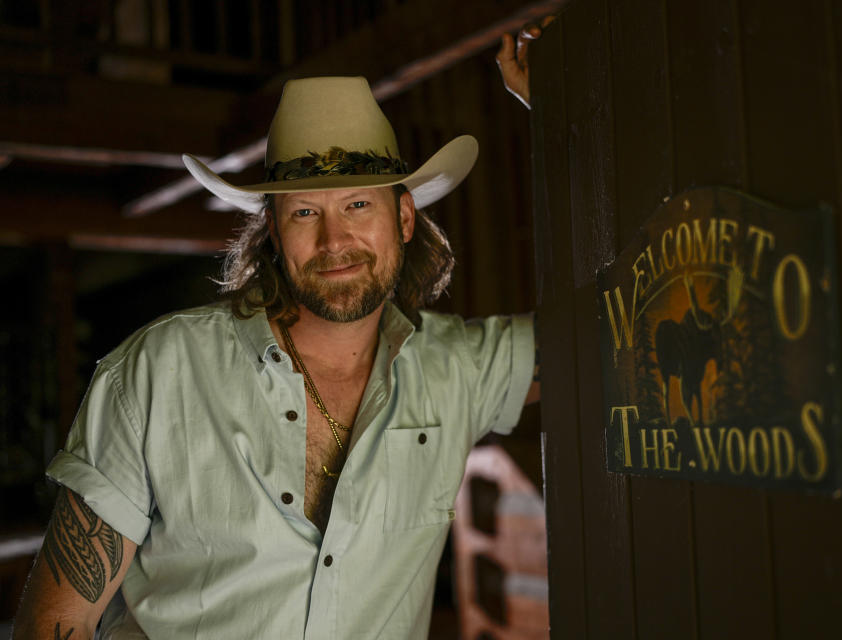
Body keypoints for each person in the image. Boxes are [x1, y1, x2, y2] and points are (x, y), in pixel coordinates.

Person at [13, 76, 538, 639]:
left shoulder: (457, 367)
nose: (335, 241)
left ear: (404, 219)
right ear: (273, 230)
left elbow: (613, 316)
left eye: (358, 204)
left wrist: (564, 96)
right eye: (305, 213)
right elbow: (54, 622)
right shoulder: (156, 373)